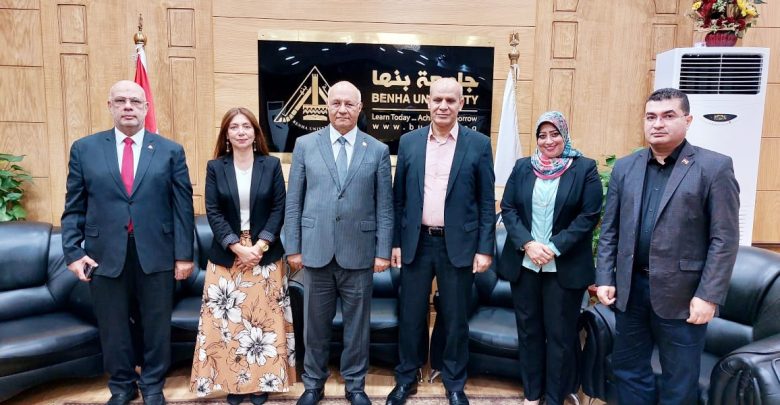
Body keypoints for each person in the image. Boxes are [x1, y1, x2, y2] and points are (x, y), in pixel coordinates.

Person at [596, 88, 740, 405]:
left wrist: (708, 295)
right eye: (651, 116)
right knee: (628, 371)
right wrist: (605, 276)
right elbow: (610, 228)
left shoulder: (714, 168)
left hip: (684, 296)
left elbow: (724, 239)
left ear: (687, 120)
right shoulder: (625, 167)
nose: (657, 123)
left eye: (668, 116)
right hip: (630, 291)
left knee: (679, 380)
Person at [61, 80, 195, 405]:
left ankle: (152, 384)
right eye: (120, 101)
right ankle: (121, 385)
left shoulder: (170, 150)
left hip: (157, 252)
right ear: (109, 106)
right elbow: (74, 206)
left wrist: (184, 256)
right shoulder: (85, 149)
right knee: (113, 325)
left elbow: (182, 208)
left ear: (146, 107)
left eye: (135, 101)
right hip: (104, 253)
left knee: (156, 325)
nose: (128, 106)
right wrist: (73, 252)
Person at [387, 77, 495, 405]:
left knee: (455, 317)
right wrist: (395, 242)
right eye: (437, 100)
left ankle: (454, 382)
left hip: (459, 245)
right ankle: (407, 377)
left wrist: (484, 248)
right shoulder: (409, 142)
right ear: (428, 103)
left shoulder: (478, 144)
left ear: (461, 104)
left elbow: (486, 201)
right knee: (411, 315)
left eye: (450, 100)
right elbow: (398, 199)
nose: (443, 106)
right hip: (416, 243)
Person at [284, 81, 393, 405]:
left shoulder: (377, 150)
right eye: (336, 103)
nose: (342, 109)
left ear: (360, 108)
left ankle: (355, 386)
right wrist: (294, 247)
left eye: (349, 104)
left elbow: (385, 207)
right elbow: (294, 202)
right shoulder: (305, 145)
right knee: (315, 326)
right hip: (315, 251)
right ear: (327, 107)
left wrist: (383, 252)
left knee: (357, 328)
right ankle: (313, 385)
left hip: (359, 253)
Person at [189, 107, 294, 405]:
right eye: (234, 127)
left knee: (263, 324)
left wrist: (258, 247)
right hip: (228, 256)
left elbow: (279, 208)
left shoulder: (271, 165)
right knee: (227, 325)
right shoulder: (215, 167)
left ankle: (261, 383)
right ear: (226, 134)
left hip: (265, 255)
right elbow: (213, 211)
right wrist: (237, 247)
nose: (241, 132)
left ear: (255, 132)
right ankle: (233, 384)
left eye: (246, 126)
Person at [498, 111, 602, 405]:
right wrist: (528, 244)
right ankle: (532, 394)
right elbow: (508, 208)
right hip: (525, 265)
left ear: (564, 135)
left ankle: (554, 397)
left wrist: (554, 247)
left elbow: (589, 215)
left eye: (554, 134)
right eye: (542, 135)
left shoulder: (584, 168)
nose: (548, 141)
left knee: (560, 336)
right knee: (528, 332)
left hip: (564, 268)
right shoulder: (522, 167)